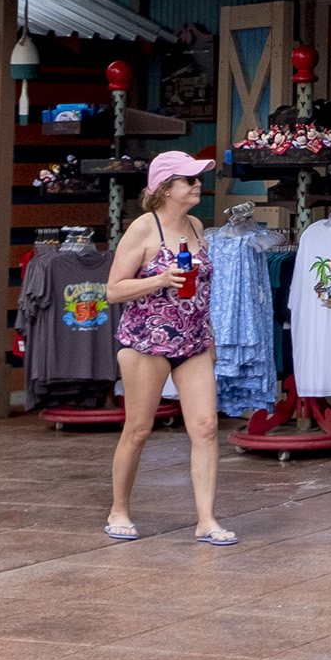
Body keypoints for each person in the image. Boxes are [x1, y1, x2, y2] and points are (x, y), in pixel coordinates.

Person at [103, 151, 236, 545]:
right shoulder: (144, 229)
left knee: (206, 428)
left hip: (193, 341)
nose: (197, 185)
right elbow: (113, 291)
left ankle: (207, 519)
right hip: (148, 341)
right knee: (139, 429)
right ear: (164, 188)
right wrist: (161, 278)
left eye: (198, 179)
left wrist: (209, 335)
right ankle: (118, 509)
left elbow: (202, 291)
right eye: (189, 180)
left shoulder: (196, 225)